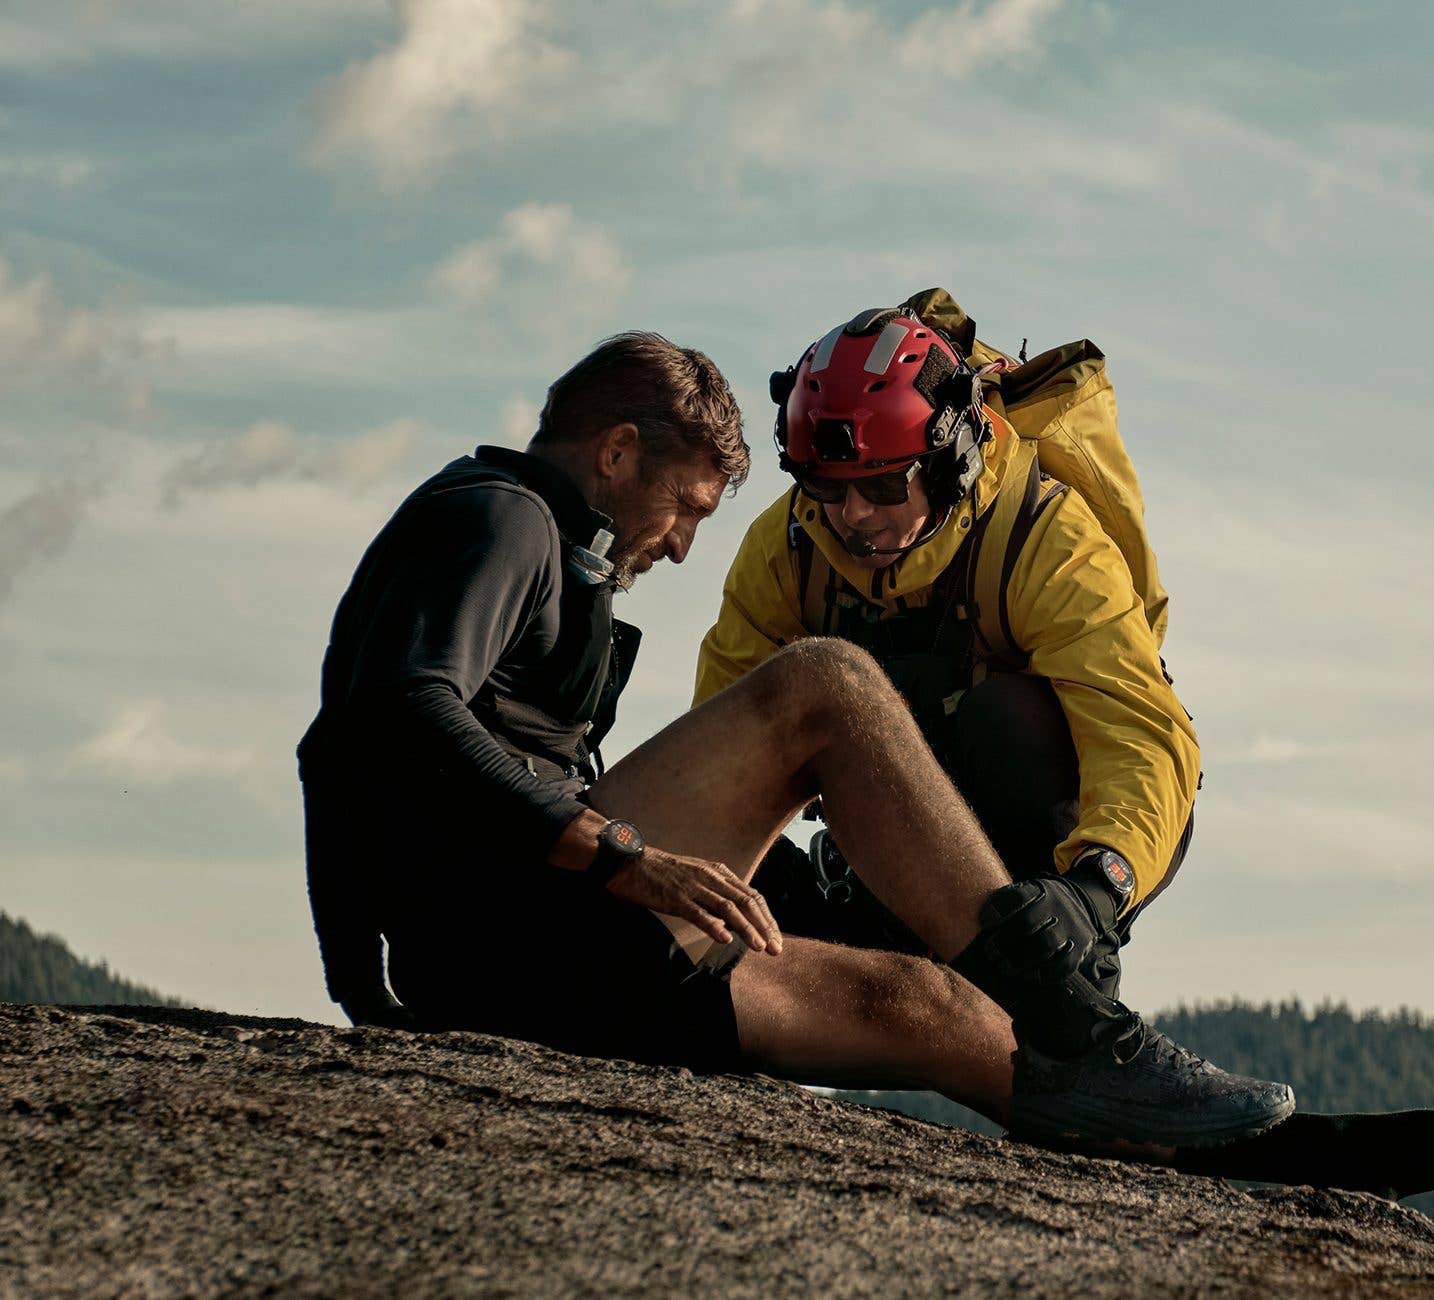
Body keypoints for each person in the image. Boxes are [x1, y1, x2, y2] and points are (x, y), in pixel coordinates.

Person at [295, 330, 1295, 1150]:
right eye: (685, 504)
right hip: (513, 930)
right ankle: (1097, 1034)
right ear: (615, 451)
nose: (685, 543)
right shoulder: (497, 519)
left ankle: (1173, 1133)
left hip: (560, 968)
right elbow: (391, 715)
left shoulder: (556, 549)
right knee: (828, 681)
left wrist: (369, 986)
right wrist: (617, 855)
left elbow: (323, 753)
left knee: (928, 1006)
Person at [693, 301, 1190, 999]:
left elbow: (1138, 734)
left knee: (1007, 719)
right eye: (826, 487)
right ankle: (864, 918)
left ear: (951, 458)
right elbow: (720, 734)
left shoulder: (1050, 542)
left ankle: (1069, 993)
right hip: (893, 816)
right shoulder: (788, 546)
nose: (854, 514)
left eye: (884, 485)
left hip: (1055, 831)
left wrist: (1096, 888)